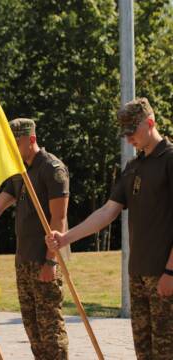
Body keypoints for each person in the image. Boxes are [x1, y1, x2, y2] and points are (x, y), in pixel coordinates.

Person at [46, 97, 173, 360]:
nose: (128, 139)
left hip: (165, 275)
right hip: (138, 276)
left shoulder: (169, 161)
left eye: (132, 132)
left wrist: (171, 270)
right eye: (124, 134)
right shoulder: (133, 167)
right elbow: (107, 212)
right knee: (144, 353)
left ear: (150, 123)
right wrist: (65, 237)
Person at [0, 118, 70, 360]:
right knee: (33, 326)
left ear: (31, 139)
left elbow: (59, 218)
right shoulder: (19, 172)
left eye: (16, 142)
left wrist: (51, 261)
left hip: (44, 259)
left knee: (50, 326)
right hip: (24, 260)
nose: (12, 147)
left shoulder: (52, 168)